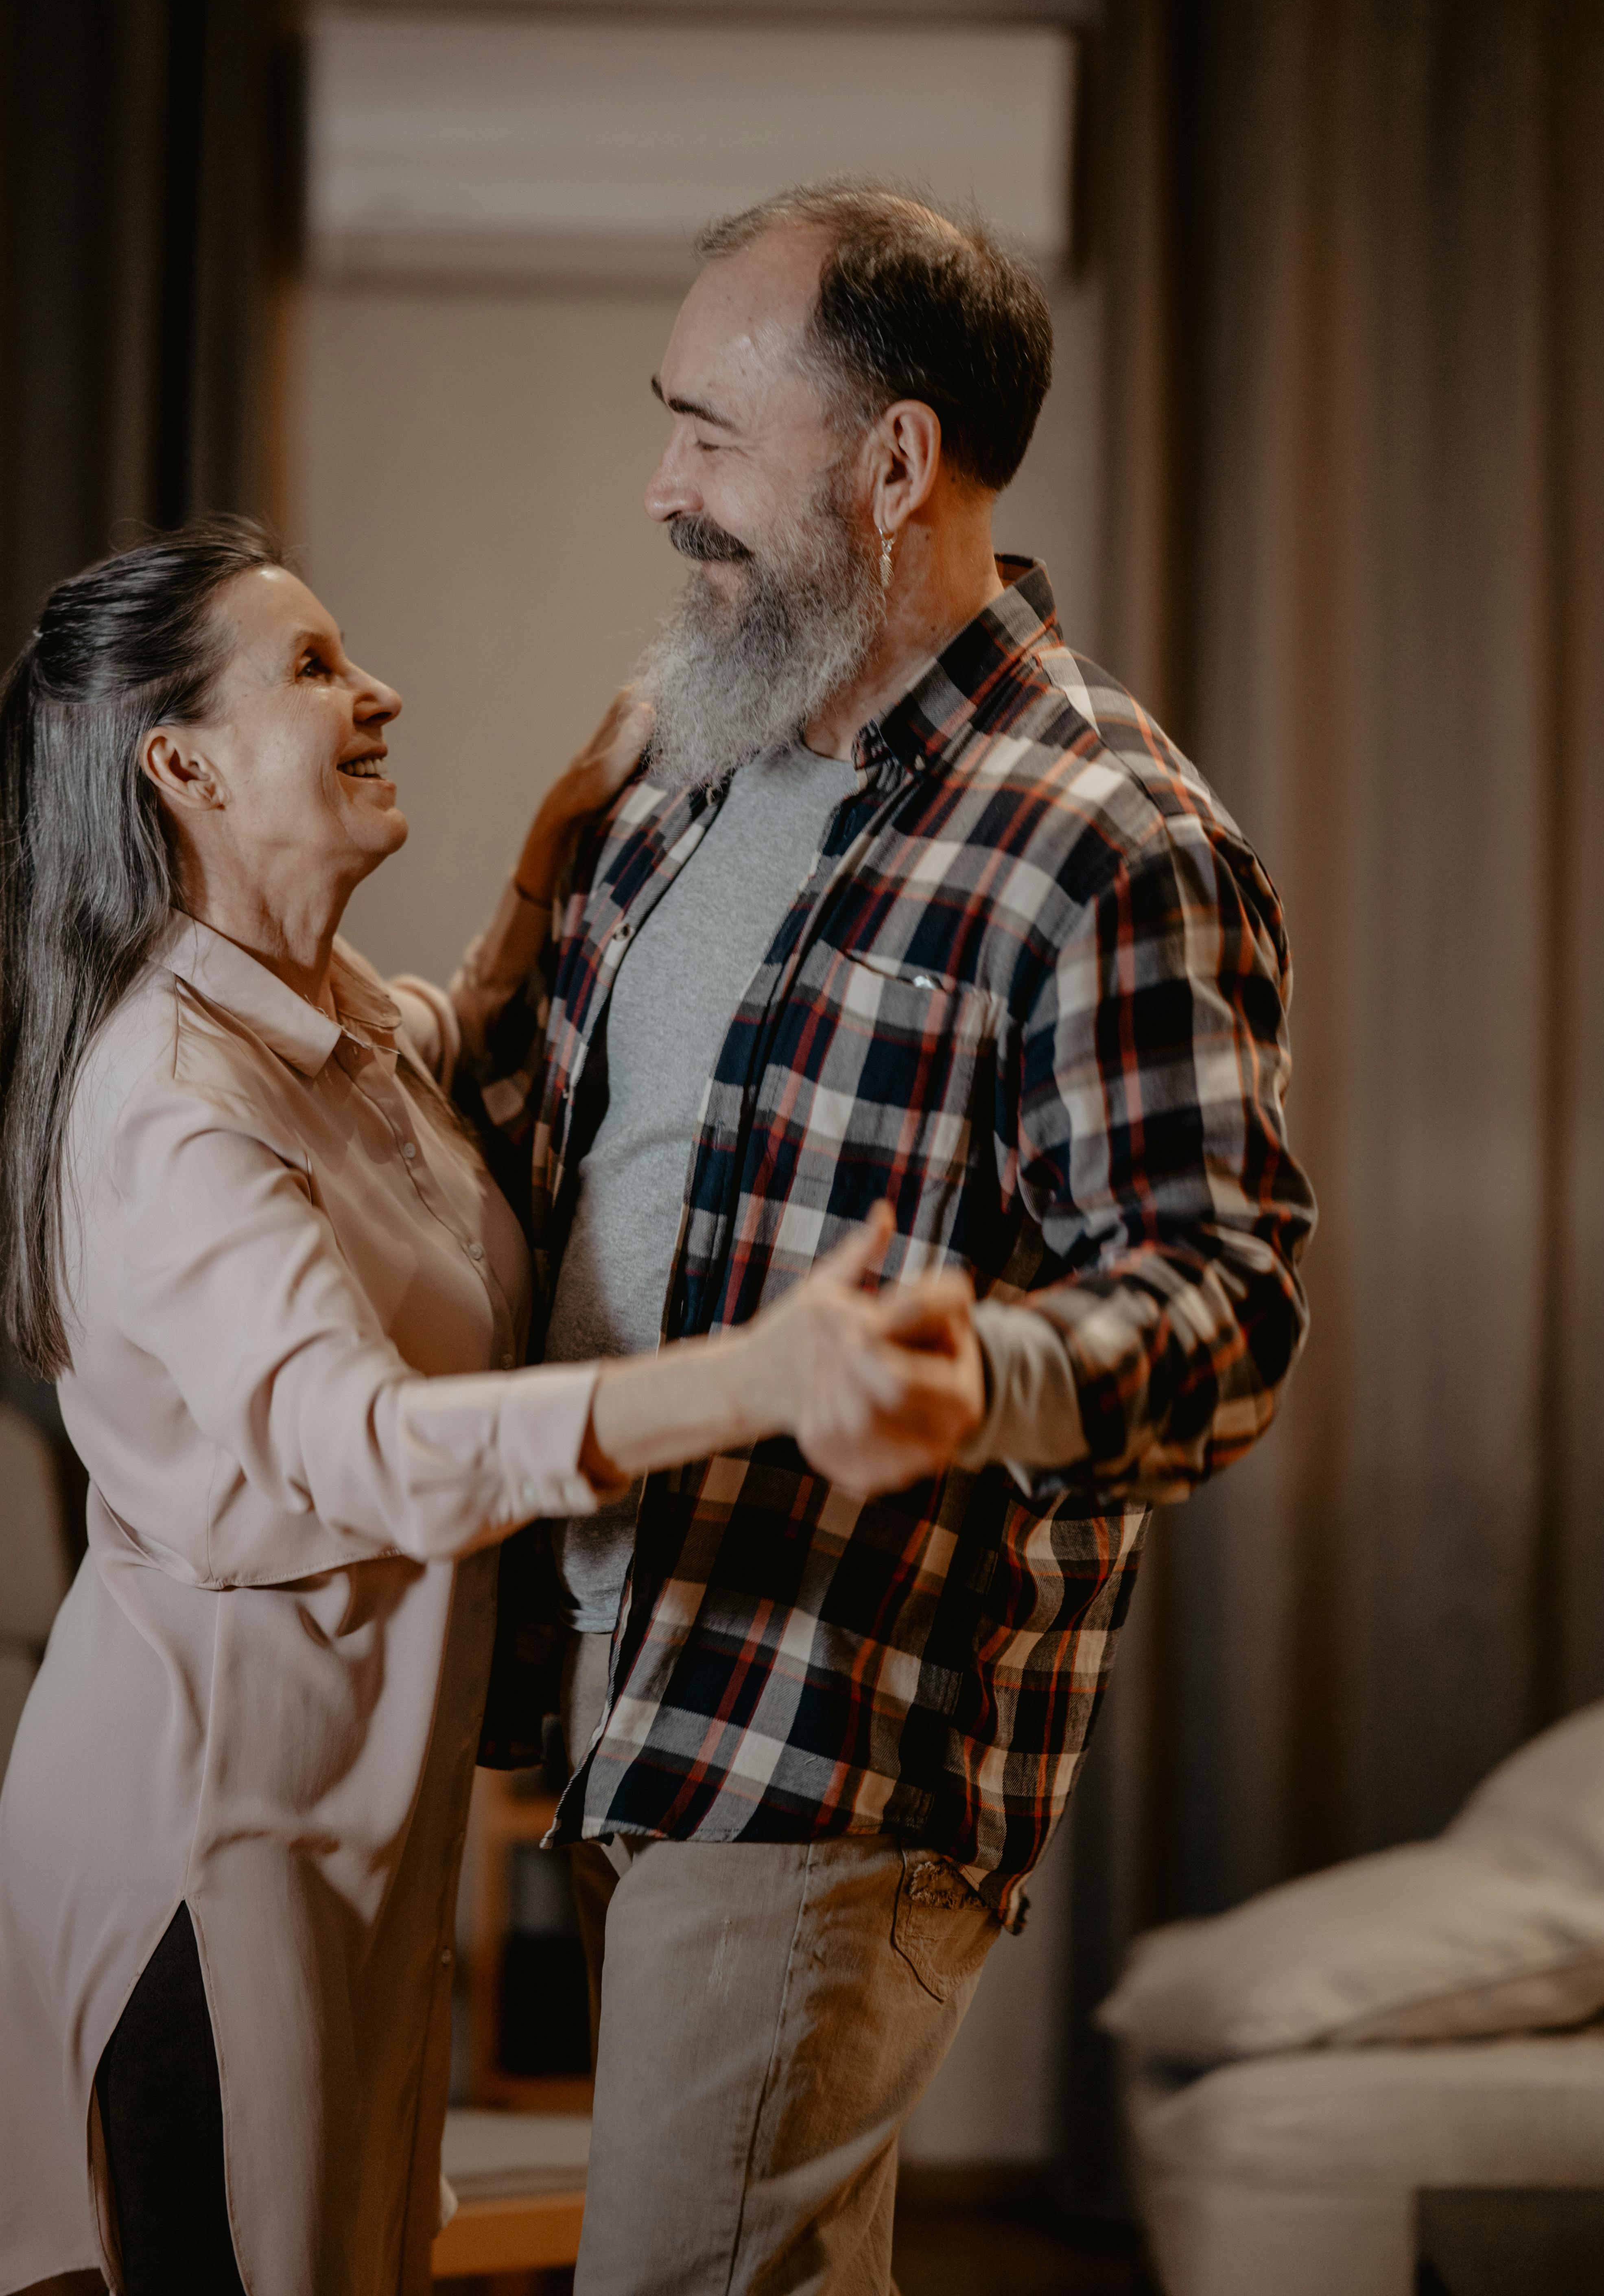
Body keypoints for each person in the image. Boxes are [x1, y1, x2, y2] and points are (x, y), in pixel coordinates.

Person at [459, 183, 1319, 2294]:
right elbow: (552, 1162)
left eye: (709, 434)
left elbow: (1227, 1305)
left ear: (894, 463)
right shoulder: (673, 767)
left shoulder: (1108, 838)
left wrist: (979, 1383)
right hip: (592, 1672)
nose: (661, 486)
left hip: (840, 1717)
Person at [0, 523, 984, 2296]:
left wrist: (549, 854)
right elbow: (365, 1450)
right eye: (311, 670)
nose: (377, 691)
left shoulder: (317, 1017)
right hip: (207, 1844)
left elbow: (432, 1065)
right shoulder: (169, 1099)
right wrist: (748, 1381)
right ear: (184, 764)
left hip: (345, 1824)